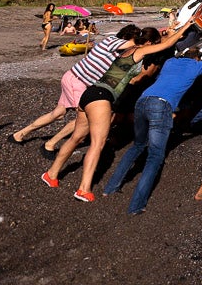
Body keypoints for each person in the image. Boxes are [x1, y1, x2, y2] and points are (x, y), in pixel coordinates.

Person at [43, 23, 190, 202]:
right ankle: (83, 189)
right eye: (152, 44)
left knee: (76, 138)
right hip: (102, 97)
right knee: (98, 144)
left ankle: (51, 174)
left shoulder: (128, 48)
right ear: (148, 43)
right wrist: (185, 27)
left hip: (90, 93)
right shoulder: (140, 52)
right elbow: (165, 45)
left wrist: (169, 31)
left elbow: (158, 40)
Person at [103, 42, 202, 214]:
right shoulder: (197, 66)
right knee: (155, 157)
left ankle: (110, 188)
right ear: (197, 59)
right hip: (162, 106)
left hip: (143, 101)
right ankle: (136, 206)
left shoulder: (170, 62)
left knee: (137, 146)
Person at [11, 24, 141, 150]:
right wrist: (148, 43)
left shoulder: (117, 51)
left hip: (73, 78)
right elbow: (132, 45)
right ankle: (50, 144)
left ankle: (20, 134)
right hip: (77, 82)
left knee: (58, 113)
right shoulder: (113, 41)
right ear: (126, 37)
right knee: (85, 118)